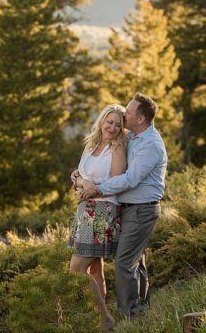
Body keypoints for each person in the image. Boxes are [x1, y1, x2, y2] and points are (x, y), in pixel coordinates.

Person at [75, 93, 168, 319]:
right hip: (128, 207)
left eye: (128, 112)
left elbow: (129, 179)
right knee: (136, 262)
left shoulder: (151, 145)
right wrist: (79, 179)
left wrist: (93, 188)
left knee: (125, 263)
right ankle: (141, 310)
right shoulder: (134, 137)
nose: (124, 115)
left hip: (142, 208)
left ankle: (129, 316)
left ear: (141, 118)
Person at [69, 104, 127, 330]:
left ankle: (105, 319)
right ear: (102, 121)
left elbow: (117, 183)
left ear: (122, 128)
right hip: (85, 210)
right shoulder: (91, 143)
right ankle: (98, 320)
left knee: (76, 269)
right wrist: (77, 177)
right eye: (109, 122)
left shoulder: (117, 147)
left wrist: (86, 184)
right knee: (95, 269)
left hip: (103, 211)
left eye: (117, 124)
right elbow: (85, 174)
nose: (112, 127)